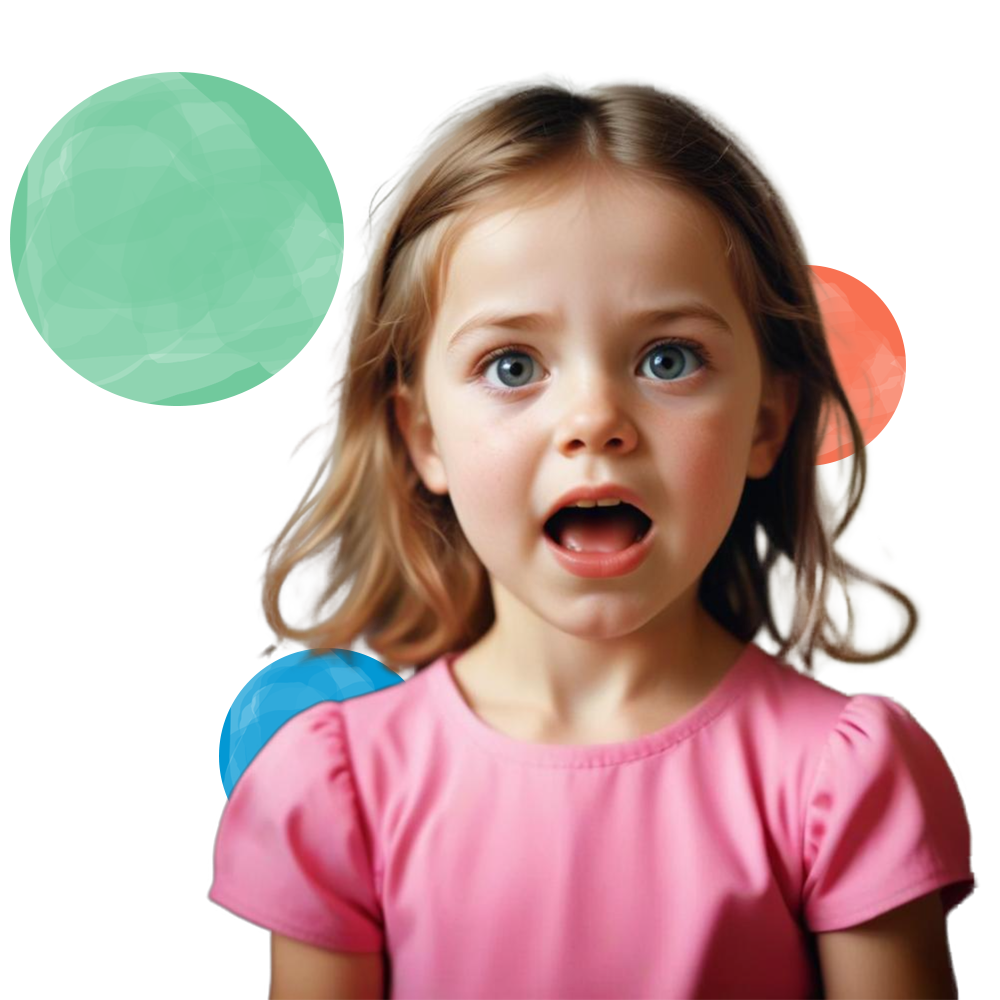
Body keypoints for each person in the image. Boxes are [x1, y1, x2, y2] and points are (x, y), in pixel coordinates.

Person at [206, 72, 979, 999]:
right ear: (422, 435)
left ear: (767, 421)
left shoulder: (842, 780)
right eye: (513, 364)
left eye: (668, 358)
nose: (596, 420)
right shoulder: (339, 792)